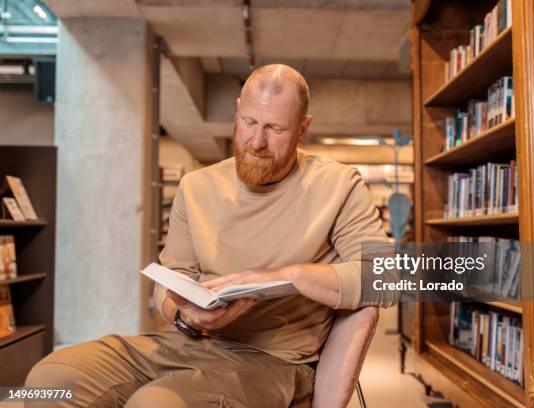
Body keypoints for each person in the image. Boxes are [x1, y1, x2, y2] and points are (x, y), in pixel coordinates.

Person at [24, 64, 389, 408]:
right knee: (51, 377)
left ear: (302, 128)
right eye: (248, 121)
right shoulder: (197, 186)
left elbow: (390, 276)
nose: (256, 141)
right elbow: (172, 278)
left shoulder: (339, 185)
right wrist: (185, 315)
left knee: (157, 402)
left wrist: (288, 276)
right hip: (189, 342)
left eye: (275, 129)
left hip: (275, 363)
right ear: (237, 111)